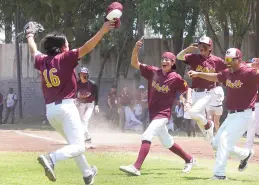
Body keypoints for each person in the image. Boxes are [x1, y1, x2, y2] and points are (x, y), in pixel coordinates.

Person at [26, 19, 115, 184]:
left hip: (51, 112)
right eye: (67, 43)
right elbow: (88, 47)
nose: (69, 45)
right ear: (61, 47)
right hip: (66, 108)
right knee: (79, 146)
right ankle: (51, 158)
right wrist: (103, 30)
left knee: (73, 144)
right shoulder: (65, 57)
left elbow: (33, 50)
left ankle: (87, 173)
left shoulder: (43, 60)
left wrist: (29, 35)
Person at [187, 48, 259, 180]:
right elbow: (215, 76)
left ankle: (219, 174)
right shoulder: (227, 73)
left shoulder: (249, 72)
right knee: (216, 144)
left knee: (224, 140)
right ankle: (245, 155)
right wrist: (198, 74)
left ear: (239, 59)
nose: (228, 62)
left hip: (245, 115)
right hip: (231, 115)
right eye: (226, 60)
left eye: (231, 60)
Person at [119, 38, 196, 176]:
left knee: (147, 135)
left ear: (173, 63)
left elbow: (187, 89)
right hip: (153, 114)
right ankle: (189, 159)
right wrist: (136, 48)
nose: (164, 61)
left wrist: (188, 101)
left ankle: (136, 167)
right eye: (163, 58)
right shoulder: (153, 72)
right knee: (168, 143)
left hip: (163, 114)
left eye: (168, 59)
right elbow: (134, 63)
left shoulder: (176, 77)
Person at [177, 36, 227, 141]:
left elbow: (227, 71)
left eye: (205, 45)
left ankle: (209, 124)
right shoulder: (194, 57)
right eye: (200, 45)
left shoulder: (216, 60)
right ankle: (214, 142)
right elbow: (179, 57)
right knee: (198, 121)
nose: (201, 47)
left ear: (210, 48)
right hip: (195, 93)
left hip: (208, 93)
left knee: (193, 113)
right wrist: (187, 50)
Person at [76, 67, 100, 145]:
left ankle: (81, 138)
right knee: (80, 121)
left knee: (85, 120)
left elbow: (96, 95)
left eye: (84, 74)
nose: (83, 75)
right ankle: (88, 137)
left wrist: (96, 105)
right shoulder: (77, 83)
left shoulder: (92, 84)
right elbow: (74, 93)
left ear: (87, 75)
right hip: (81, 104)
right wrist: (75, 100)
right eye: (82, 74)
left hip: (90, 104)